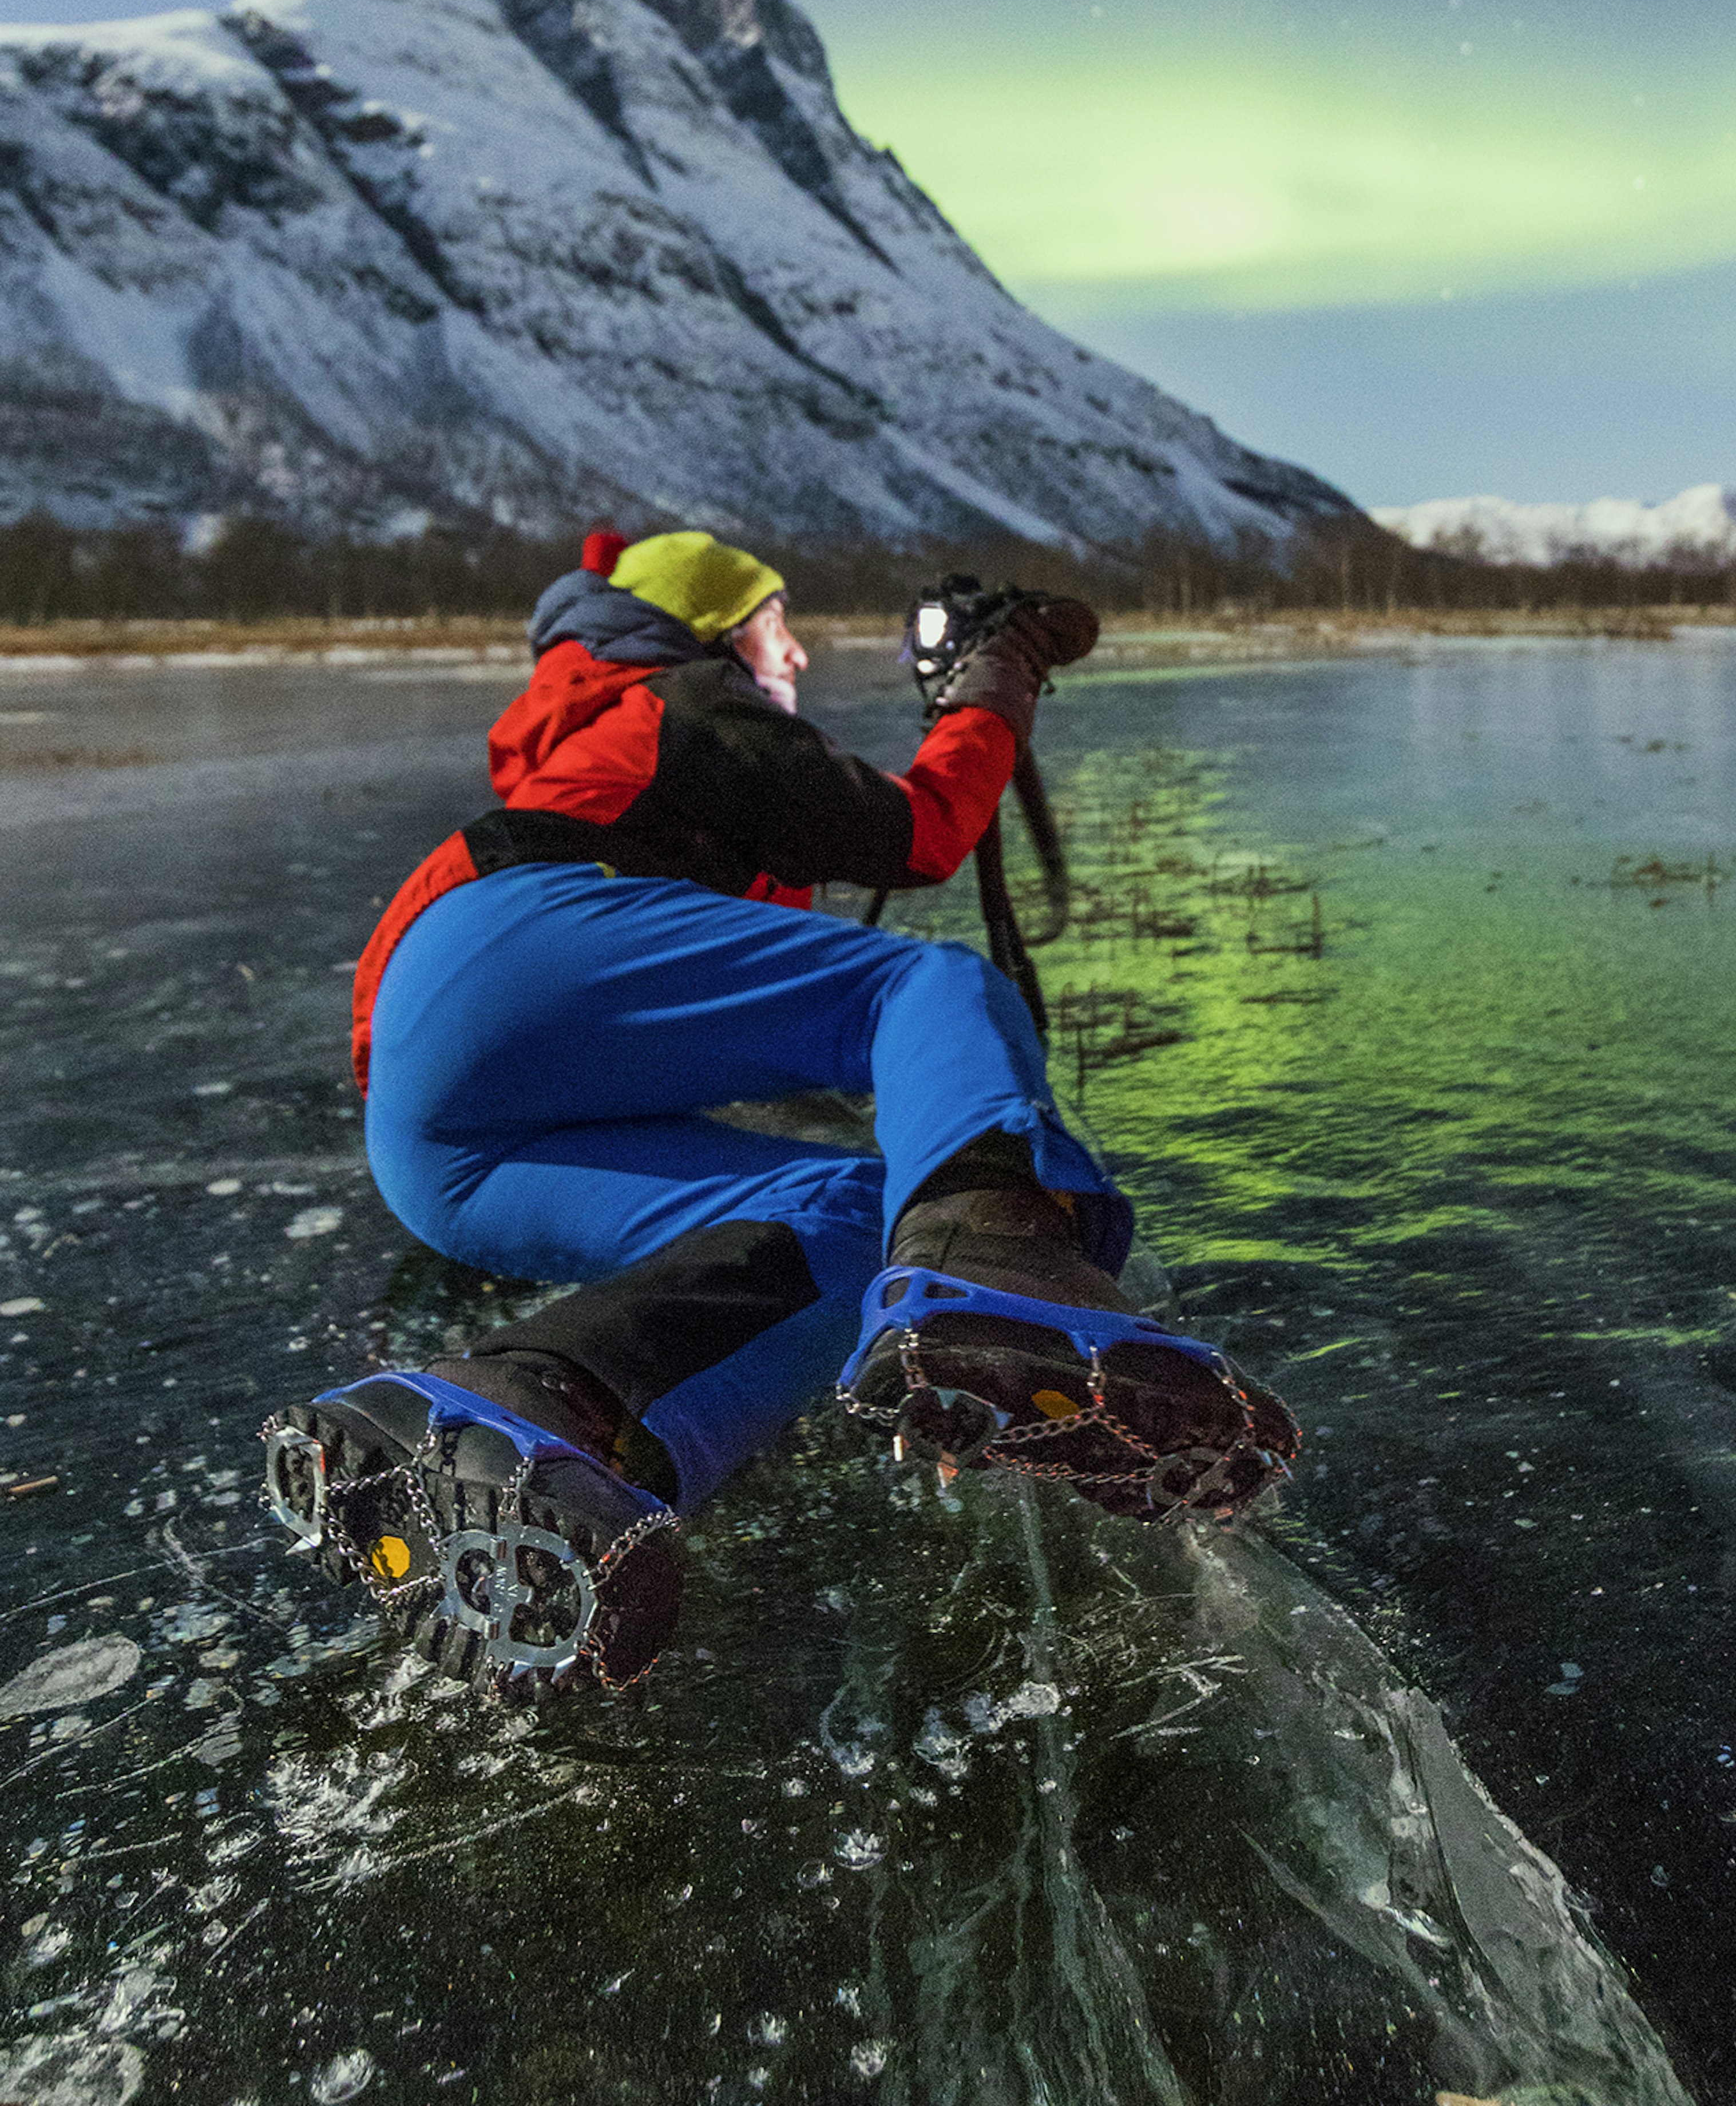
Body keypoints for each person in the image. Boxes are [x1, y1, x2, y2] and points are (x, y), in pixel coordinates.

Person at [261, 528, 1299, 1700]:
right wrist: (993, 687)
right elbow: (918, 834)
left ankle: (550, 1414)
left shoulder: (607, 742)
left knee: (856, 1213)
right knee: (932, 984)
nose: (795, 650)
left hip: (439, 1141)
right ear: (715, 635)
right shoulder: (686, 697)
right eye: (775, 625)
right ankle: (1008, 1265)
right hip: (510, 952)